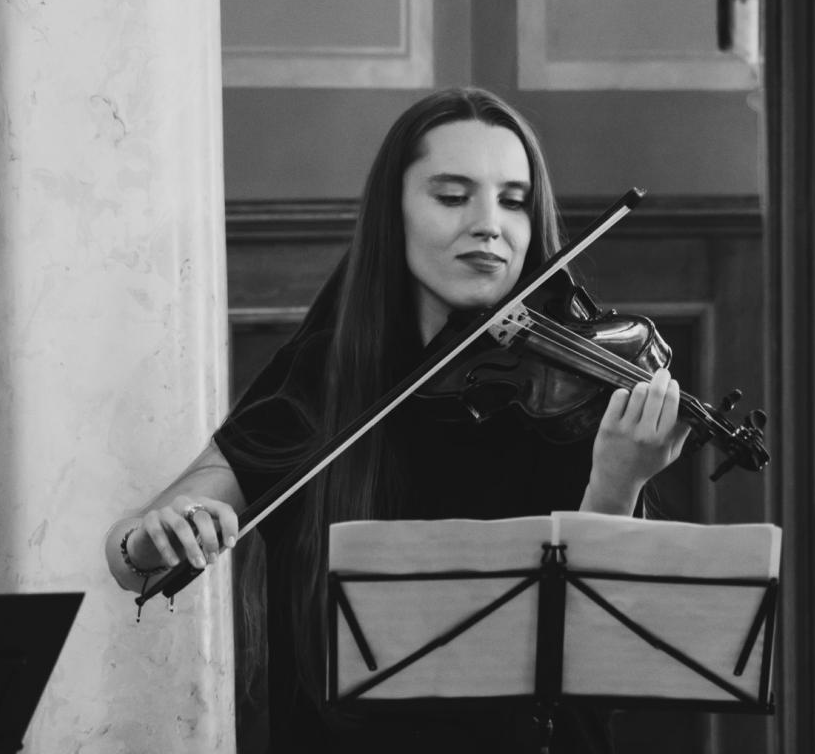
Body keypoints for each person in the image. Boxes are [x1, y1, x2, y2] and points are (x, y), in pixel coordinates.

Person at [105, 87, 690, 753]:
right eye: (452, 196)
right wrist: (153, 539)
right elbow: (130, 558)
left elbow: (603, 659)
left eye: (514, 201)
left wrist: (617, 483)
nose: (489, 225)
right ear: (394, 215)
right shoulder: (324, 375)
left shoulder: (573, 391)